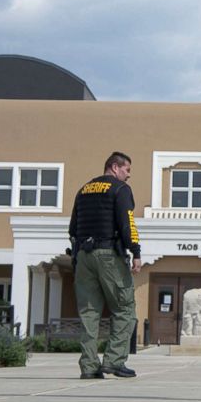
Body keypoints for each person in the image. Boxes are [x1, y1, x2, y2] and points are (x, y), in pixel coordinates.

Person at [69, 151, 142, 379]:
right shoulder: (120, 190)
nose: (129, 175)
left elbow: (72, 228)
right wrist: (136, 251)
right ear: (114, 167)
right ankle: (114, 361)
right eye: (127, 170)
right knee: (124, 308)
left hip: (83, 255)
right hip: (109, 255)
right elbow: (127, 222)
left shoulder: (83, 190)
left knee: (89, 313)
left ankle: (89, 367)